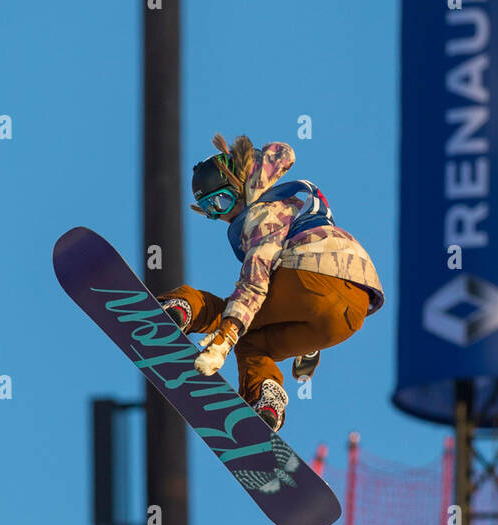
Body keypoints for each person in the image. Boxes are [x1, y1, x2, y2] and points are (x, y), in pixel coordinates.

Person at [160, 133, 383, 432]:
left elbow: (256, 279)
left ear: (240, 186)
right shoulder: (289, 208)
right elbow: (322, 295)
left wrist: (225, 337)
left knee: (234, 315)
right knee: (254, 346)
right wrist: (308, 349)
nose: (223, 215)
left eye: (223, 200)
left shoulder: (262, 211)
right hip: (352, 310)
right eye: (211, 210)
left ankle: (182, 307)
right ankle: (268, 404)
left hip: (311, 276)